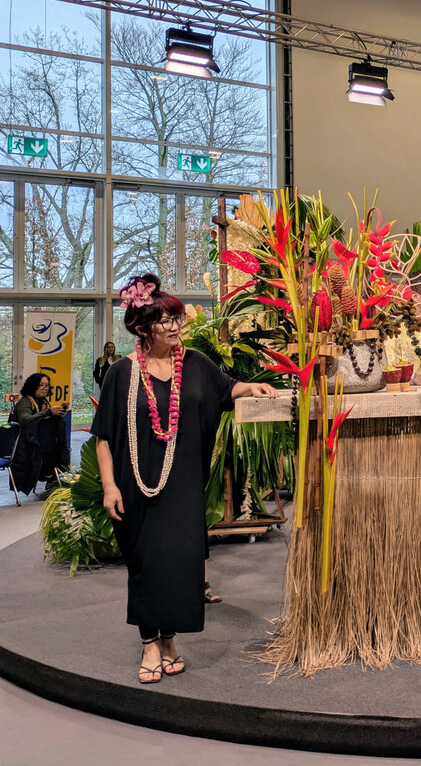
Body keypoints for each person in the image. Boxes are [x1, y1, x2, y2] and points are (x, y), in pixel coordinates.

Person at [91, 273, 278, 684]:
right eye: (166, 321)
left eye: (177, 319)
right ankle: (149, 643)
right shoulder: (121, 373)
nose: (176, 327)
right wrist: (109, 486)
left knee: (179, 562)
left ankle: (170, 638)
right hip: (135, 485)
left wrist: (255, 388)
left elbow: (227, 389)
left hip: (183, 485)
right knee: (144, 563)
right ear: (142, 327)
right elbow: (103, 437)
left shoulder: (194, 364)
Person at [9, 372, 70, 496]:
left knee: (58, 448)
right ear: (33, 386)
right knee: (49, 451)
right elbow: (25, 420)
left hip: (40, 442)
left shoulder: (43, 401)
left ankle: (52, 478)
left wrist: (58, 415)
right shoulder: (25, 401)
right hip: (23, 443)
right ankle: (51, 478)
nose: (44, 388)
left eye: (47, 386)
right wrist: (48, 412)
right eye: (41, 385)